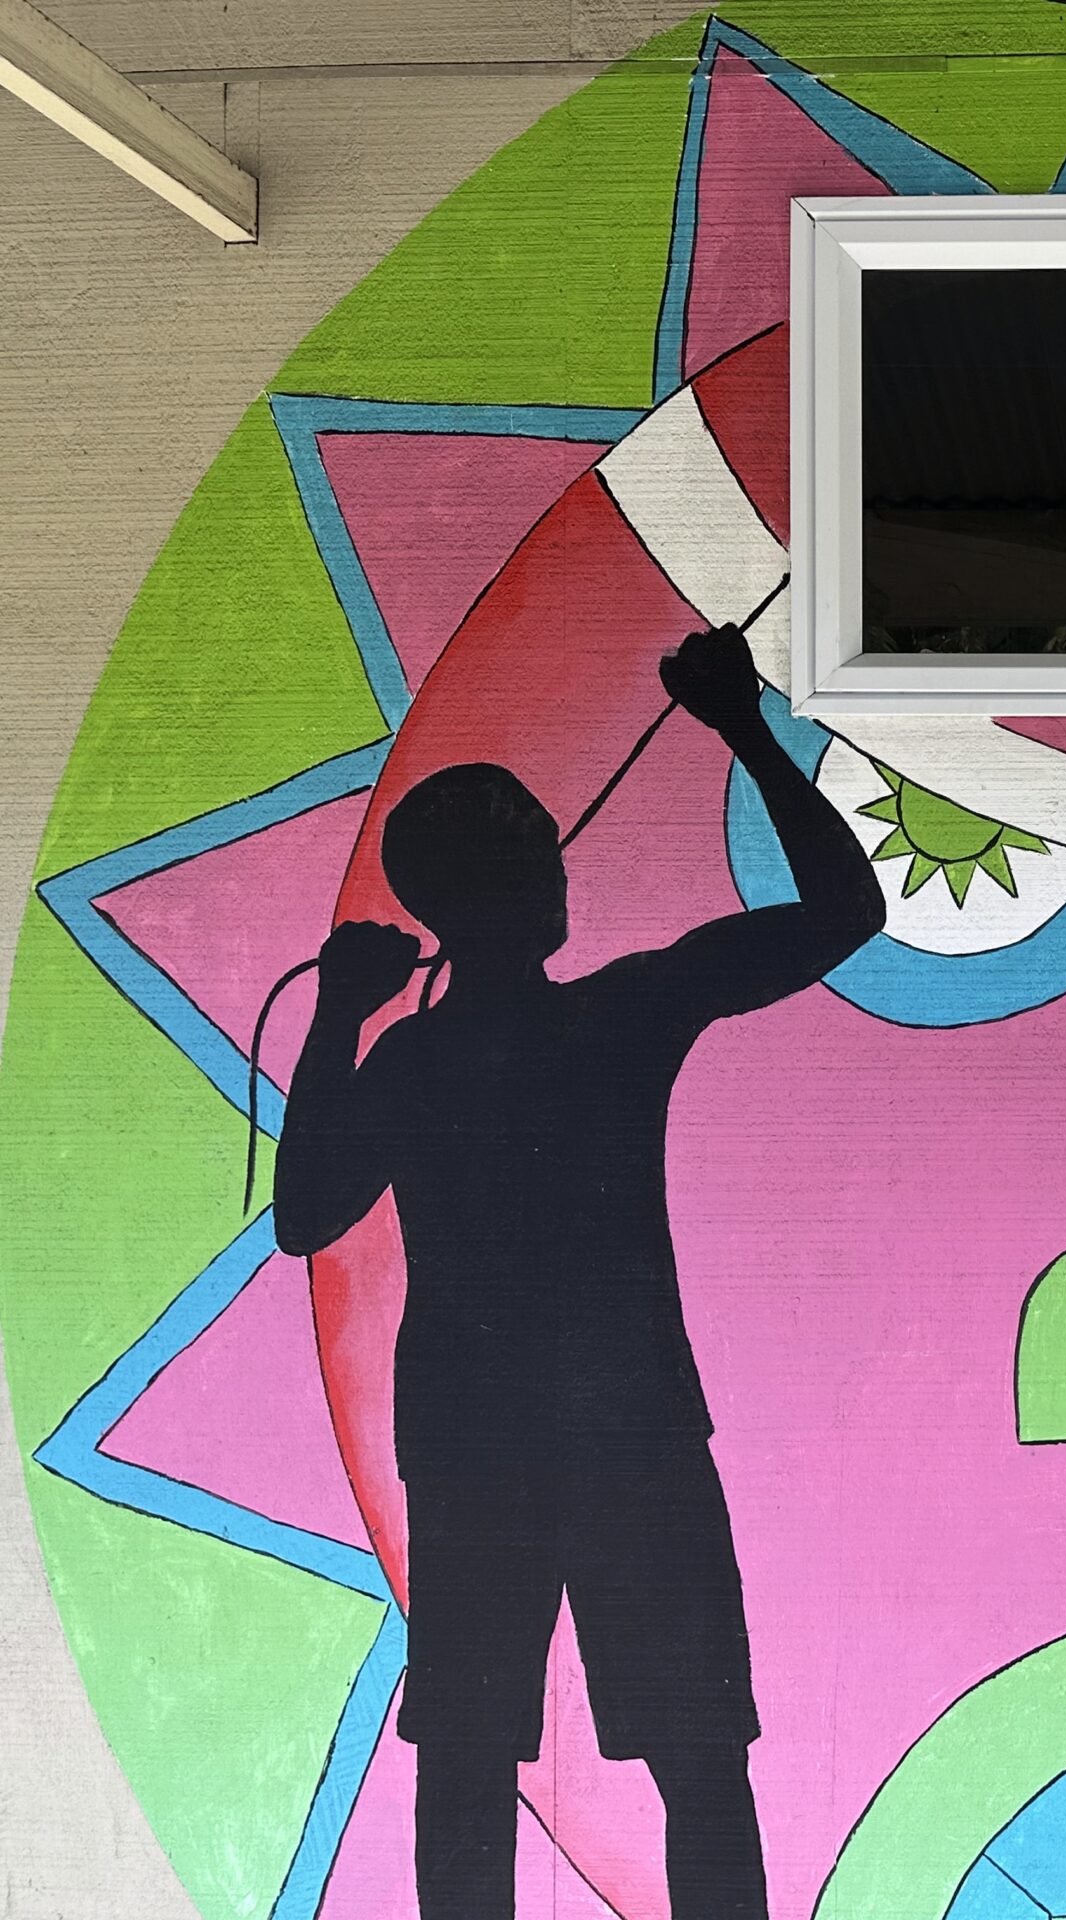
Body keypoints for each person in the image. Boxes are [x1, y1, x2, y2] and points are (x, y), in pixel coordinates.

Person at [273, 624, 885, 1920]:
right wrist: (741, 724)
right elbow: (848, 914)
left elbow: (305, 1214)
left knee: (471, 1765)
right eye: (540, 857)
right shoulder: (619, 1015)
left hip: (479, 1447)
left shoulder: (417, 1064)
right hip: (632, 1436)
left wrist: (340, 1010)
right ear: (529, 890)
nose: (558, 871)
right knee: (695, 1765)